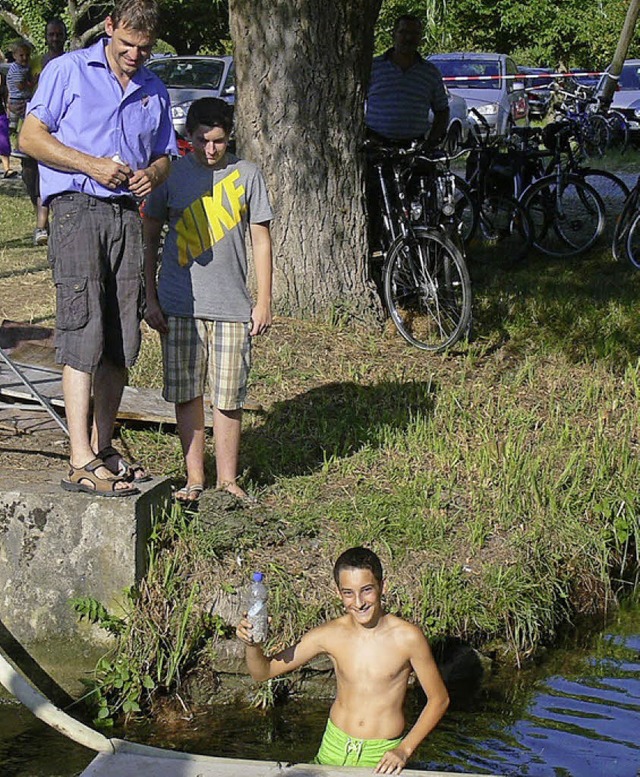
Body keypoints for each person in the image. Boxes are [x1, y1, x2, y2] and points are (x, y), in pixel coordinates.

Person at [19, 0, 177, 497]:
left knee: (120, 335)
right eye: (127, 44)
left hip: (127, 216)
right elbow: (30, 137)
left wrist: (154, 173)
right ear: (109, 27)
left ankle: (103, 446)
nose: (134, 55)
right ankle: (79, 457)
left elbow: (165, 155)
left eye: (144, 48)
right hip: (76, 209)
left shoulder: (154, 87)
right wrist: (90, 165)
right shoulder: (68, 70)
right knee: (82, 328)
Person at [143, 97, 273, 504]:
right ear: (189, 137)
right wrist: (150, 297)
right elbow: (148, 237)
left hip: (233, 307)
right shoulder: (172, 176)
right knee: (187, 393)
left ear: (229, 137)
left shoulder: (247, 174)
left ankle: (229, 481)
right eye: (202, 141)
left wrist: (264, 299)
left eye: (218, 141)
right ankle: (194, 478)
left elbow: (261, 239)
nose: (211, 149)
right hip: (179, 304)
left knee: (229, 396)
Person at [236, 547, 449, 774]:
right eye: (348, 593)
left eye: (366, 590)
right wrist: (252, 645)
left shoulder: (408, 638)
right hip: (332, 747)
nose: (358, 602)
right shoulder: (329, 634)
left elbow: (439, 699)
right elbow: (263, 672)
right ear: (338, 593)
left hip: (380, 757)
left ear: (382, 586)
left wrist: (404, 750)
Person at [365, 14, 449, 146]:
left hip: (414, 150)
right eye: (403, 32)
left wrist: (432, 142)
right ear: (394, 34)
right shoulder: (373, 67)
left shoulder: (430, 72)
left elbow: (442, 110)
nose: (409, 38)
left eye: (414, 33)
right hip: (376, 147)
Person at [24, 18, 69, 246]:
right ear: (46, 36)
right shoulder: (36, 63)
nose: (55, 38)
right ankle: (41, 217)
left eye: (59, 34)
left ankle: (43, 226)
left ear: (65, 36)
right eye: (51, 34)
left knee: (49, 171)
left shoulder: (71, 62)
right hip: (37, 122)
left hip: (62, 126)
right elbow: (26, 90)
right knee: (29, 173)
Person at [6, 40, 32, 150]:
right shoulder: (16, 69)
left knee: (18, 125)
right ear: (14, 56)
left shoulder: (21, 67)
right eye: (21, 55)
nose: (25, 58)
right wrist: (32, 83)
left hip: (17, 98)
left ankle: (16, 145)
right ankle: (15, 145)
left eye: (27, 55)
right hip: (19, 99)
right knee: (18, 125)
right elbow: (20, 86)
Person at [0, 51, 18, 178]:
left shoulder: (3, 75)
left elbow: (5, 93)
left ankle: (7, 169)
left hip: (0, 112)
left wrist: (7, 108)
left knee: (3, 140)